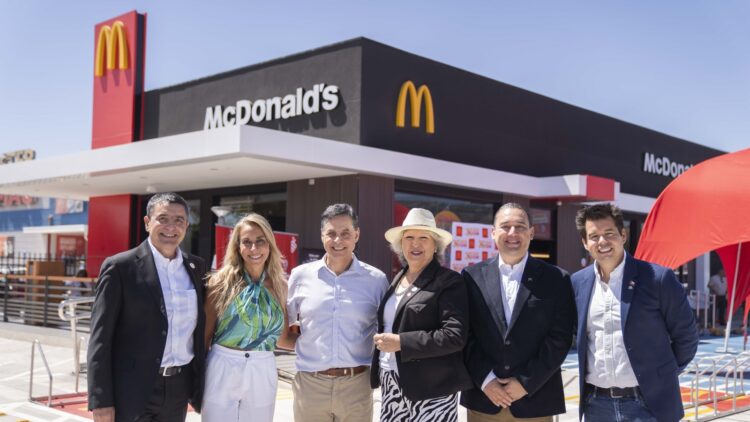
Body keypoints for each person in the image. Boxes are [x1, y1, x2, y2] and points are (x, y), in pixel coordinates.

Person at [572, 203, 698, 422]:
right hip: (597, 406)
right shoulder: (577, 283)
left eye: (609, 233)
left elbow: (686, 337)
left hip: (648, 404)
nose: (602, 241)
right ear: (585, 242)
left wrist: (660, 376)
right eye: (594, 236)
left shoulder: (657, 279)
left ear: (623, 235)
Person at [88, 193, 207, 422]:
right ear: (147, 222)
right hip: (132, 390)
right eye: (163, 218)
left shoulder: (196, 267)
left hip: (178, 389)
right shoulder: (120, 267)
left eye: (179, 220)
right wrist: (101, 400)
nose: (171, 227)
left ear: (187, 226)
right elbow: (100, 339)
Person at [461, 203, 575, 422]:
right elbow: (465, 335)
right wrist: (487, 380)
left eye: (520, 226)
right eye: (505, 226)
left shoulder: (556, 279)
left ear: (531, 233)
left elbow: (560, 339)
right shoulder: (470, 277)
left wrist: (525, 382)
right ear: (493, 233)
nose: (512, 233)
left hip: (535, 401)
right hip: (484, 401)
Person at [287, 203, 388, 422]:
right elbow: (283, 331)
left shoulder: (377, 281)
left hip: (357, 385)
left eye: (345, 234)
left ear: (357, 235)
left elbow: (386, 331)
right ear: (322, 235)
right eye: (331, 234)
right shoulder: (299, 276)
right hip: (310, 385)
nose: (338, 241)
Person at [371, 208, 472, 422]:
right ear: (401, 244)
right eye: (409, 237)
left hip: (432, 387)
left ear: (435, 245)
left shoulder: (449, 281)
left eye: (423, 238)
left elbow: (454, 336)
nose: (415, 244)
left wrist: (401, 342)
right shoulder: (397, 279)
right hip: (392, 380)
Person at [202, 213, 296, 422]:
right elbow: (204, 338)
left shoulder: (280, 286)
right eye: (247, 242)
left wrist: (320, 341)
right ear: (238, 247)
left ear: (269, 245)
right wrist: (193, 382)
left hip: (262, 367)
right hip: (222, 365)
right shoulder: (220, 282)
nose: (254, 249)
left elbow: (282, 339)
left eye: (260, 241)